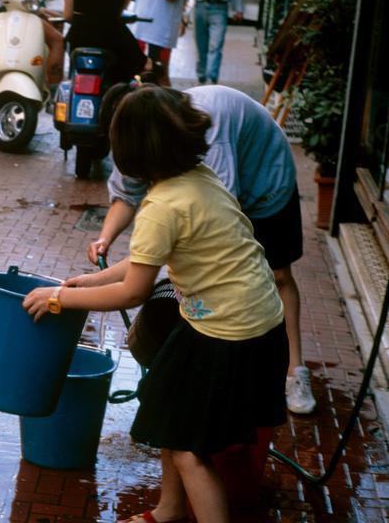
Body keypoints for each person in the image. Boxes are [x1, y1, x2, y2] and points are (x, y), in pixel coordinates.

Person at [23, 85, 288, 523]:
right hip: (251, 321)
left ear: (129, 151)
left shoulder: (161, 206)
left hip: (228, 333)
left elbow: (134, 293)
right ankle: (167, 510)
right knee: (169, 411)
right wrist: (93, 279)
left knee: (189, 448)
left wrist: (60, 298)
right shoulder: (199, 178)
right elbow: (144, 262)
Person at [88, 82, 316, 415]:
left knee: (277, 274)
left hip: (265, 180)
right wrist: (104, 238)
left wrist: (64, 298)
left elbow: (208, 231)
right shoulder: (149, 140)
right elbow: (126, 194)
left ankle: (294, 371)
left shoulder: (206, 138)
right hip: (218, 198)